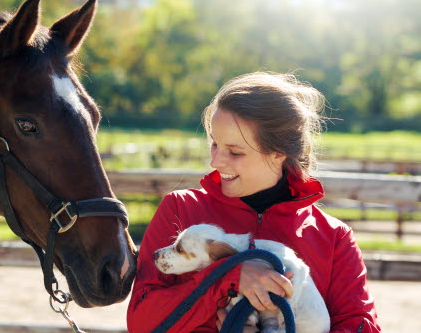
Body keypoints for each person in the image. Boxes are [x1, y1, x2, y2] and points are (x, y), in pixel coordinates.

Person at [126, 72, 380, 332]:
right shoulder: (180, 209)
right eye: (215, 144)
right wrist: (227, 278)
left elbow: (358, 325)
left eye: (234, 152)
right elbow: (142, 322)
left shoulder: (334, 238)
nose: (215, 161)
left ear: (278, 153)